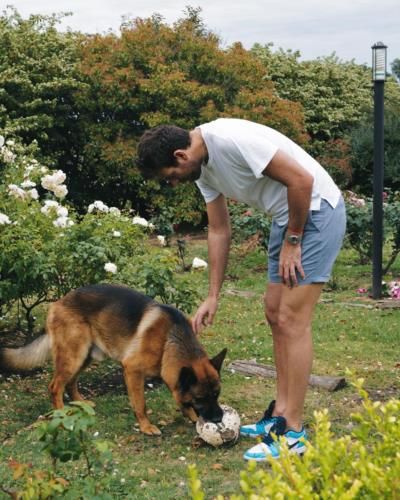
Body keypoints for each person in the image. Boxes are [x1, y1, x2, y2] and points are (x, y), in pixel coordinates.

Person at [137, 118, 346, 461]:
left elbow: (302, 180)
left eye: (169, 176)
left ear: (179, 155)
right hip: (287, 216)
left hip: (316, 211)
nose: (173, 183)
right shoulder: (201, 169)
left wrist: (294, 240)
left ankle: (293, 432)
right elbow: (219, 229)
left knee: (292, 319)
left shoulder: (231, 140)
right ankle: (279, 413)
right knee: (274, 314)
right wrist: (213, 295)